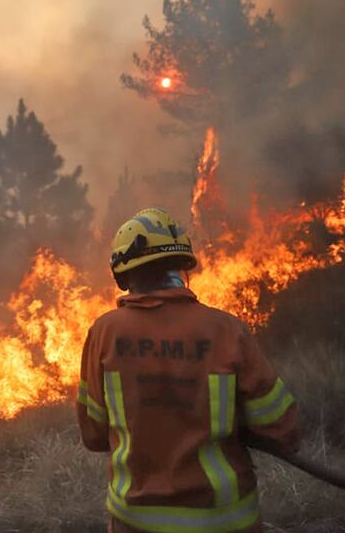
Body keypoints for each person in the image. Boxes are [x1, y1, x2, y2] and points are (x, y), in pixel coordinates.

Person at [77, 208, 299, 533]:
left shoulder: (105, 333)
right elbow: (282, 429)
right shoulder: (226, 330)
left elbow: (94, 434)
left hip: (136, 521)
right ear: (182, 268)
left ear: (123, 274)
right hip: (224, 521)